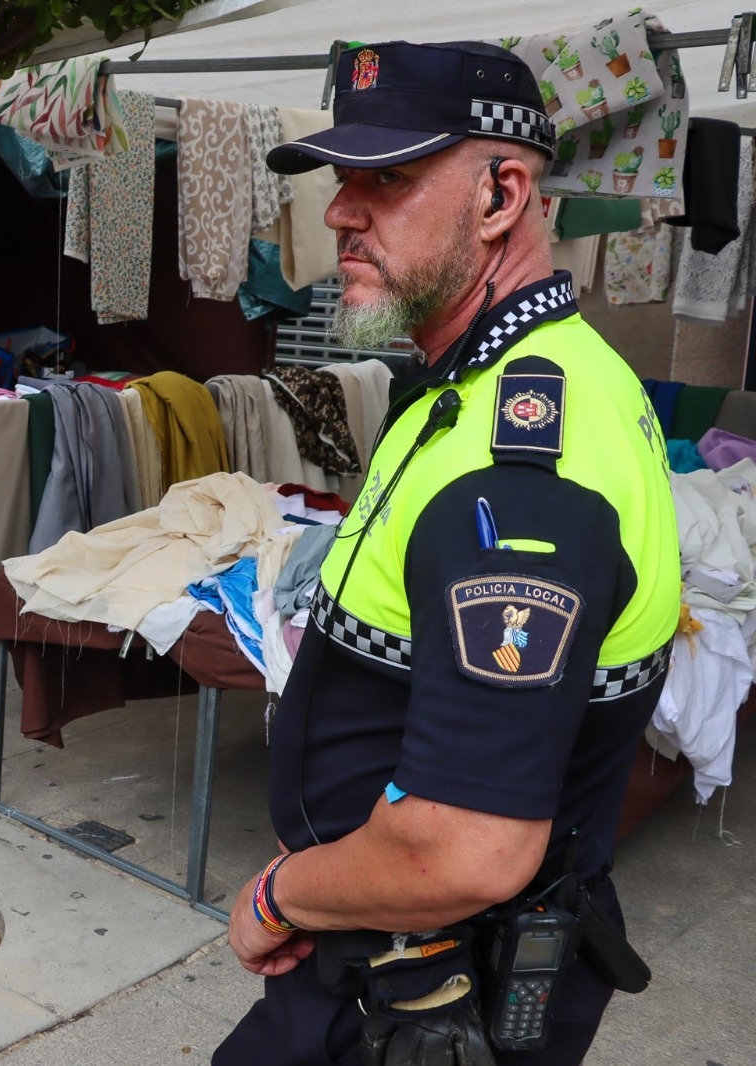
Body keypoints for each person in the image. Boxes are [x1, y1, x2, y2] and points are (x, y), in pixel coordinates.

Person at [213, 41, 678, 1065]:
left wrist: (274, 895)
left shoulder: (523, 473)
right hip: (385, 955)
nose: (339, 211)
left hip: (419, 993)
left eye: (384, 178)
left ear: (501, 194)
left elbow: (464, 846)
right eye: (342, 179)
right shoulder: (502, 374)